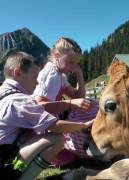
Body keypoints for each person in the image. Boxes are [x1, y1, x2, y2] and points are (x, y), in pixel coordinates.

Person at [0, 51, 93, 180]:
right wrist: (83, 125)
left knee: (35, 133)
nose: (37, 83)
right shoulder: (19, 100)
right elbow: (56, 126)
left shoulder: (1, 92)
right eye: (34, 77)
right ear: (17, 73)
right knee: (56, 139)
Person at [33, 37, 98, 165]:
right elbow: (39, 107)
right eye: (71, 62)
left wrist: (79, 74)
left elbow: (78, 96)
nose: (74, 67)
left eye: (77, 63)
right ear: (57, 56)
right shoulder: (51, 75)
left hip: (54, 124)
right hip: (46, 128)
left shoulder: (60, 75)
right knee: (91, 111)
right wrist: (70, 104)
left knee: (92, 105)